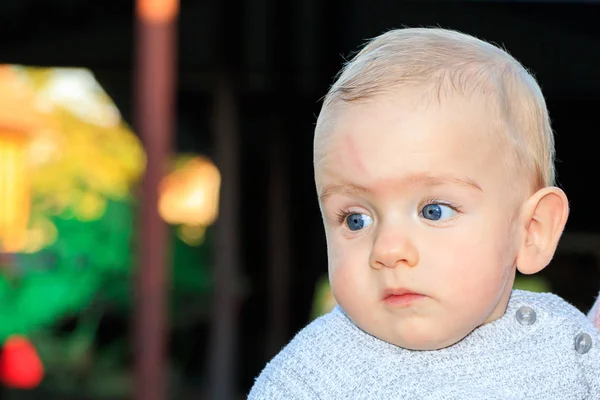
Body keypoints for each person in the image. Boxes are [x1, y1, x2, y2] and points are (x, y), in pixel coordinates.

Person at [248, 27, 600, 399]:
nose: (387, 249)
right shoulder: (312, 378)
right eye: (356, 219)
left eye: (433, 211)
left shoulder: (567, 344)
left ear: (532, 231)